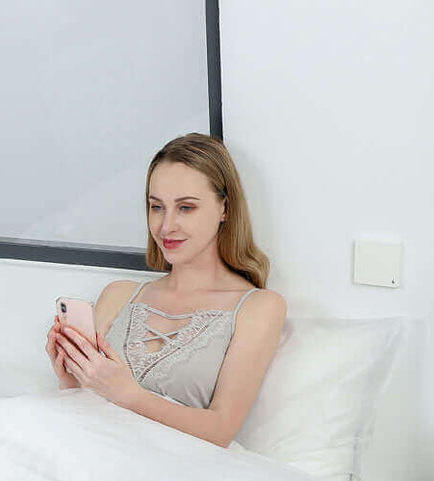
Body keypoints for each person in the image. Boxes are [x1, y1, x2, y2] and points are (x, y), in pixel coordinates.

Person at [47, 133, 286, 448]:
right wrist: (70, 378)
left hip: (168, 472)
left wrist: (129, 395)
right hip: (92, 449)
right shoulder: (119, 294)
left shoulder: (259, 307)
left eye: (186, 208)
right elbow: (87, 407)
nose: (165, 225)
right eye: (156, 207)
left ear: (224, 209)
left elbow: (221, 429)